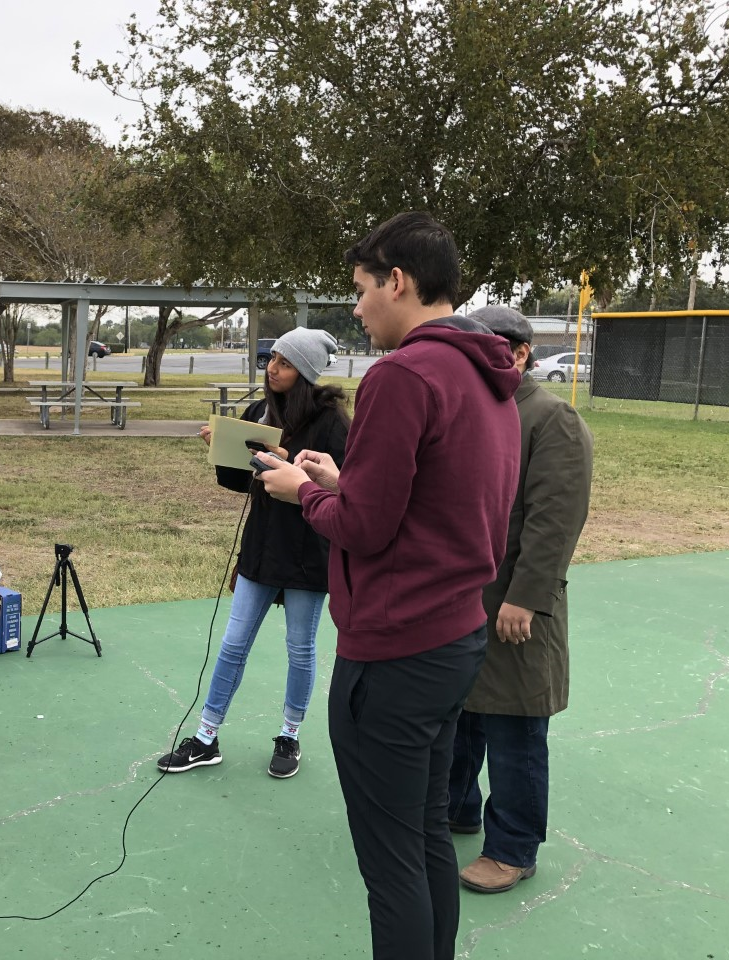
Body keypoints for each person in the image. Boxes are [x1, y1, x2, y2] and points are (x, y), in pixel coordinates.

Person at [257, 212, 521, 960]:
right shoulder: (487, 371)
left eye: (362, 290)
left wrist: (301, 494)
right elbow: (443, 495)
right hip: (454, 635)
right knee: (426, 835)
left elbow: (366, 529)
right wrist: (346, 479)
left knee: (392, 862)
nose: (359, 309)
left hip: (395, 651)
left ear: (397, 281)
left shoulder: (403, 374)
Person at [447, 306, 594, 894]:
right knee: (462, 716)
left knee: (516, 730)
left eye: (489, 350)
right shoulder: (481, 410)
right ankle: (455, 810)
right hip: (465, 598)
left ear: (521, 353)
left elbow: (555, 521)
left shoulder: (551, 417)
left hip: (514, 608)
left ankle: (513, 847)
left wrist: (526, 599)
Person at [158, 328, 349, 779]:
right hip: (261, 546)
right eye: (271, 359)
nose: (273, 368)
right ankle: (206, 737)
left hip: (309, 548)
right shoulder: (259, 412)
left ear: (304, 371)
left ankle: (290, 735)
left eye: (283, 362)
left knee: (301, 648)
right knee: (233, 643)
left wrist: (292, 463)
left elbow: (343, 488)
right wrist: (223, 452)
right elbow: (243, 483)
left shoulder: (333, 422)